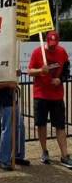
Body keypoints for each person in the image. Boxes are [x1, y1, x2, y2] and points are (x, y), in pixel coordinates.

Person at [28, 30, 72, 167]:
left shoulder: (62, 52)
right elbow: (30, 71)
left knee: (60, 125)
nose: (53, 46)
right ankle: (44, 151)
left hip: (57, 95)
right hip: (40, 94)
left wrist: (60, 79)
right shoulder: (37, 52)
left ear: (58, 41)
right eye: (50, 44)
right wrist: (41, 70)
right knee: (41, 125)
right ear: (46, 41)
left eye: (55, 44)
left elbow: (66, 71)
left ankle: (64, 155)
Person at [0, 78, 30, 171]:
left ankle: (16, 156)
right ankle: (1, 159)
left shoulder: (10, 66)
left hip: (11, 100)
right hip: (3, 101)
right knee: (8, 129)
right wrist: (8, 84)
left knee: (20, 126)